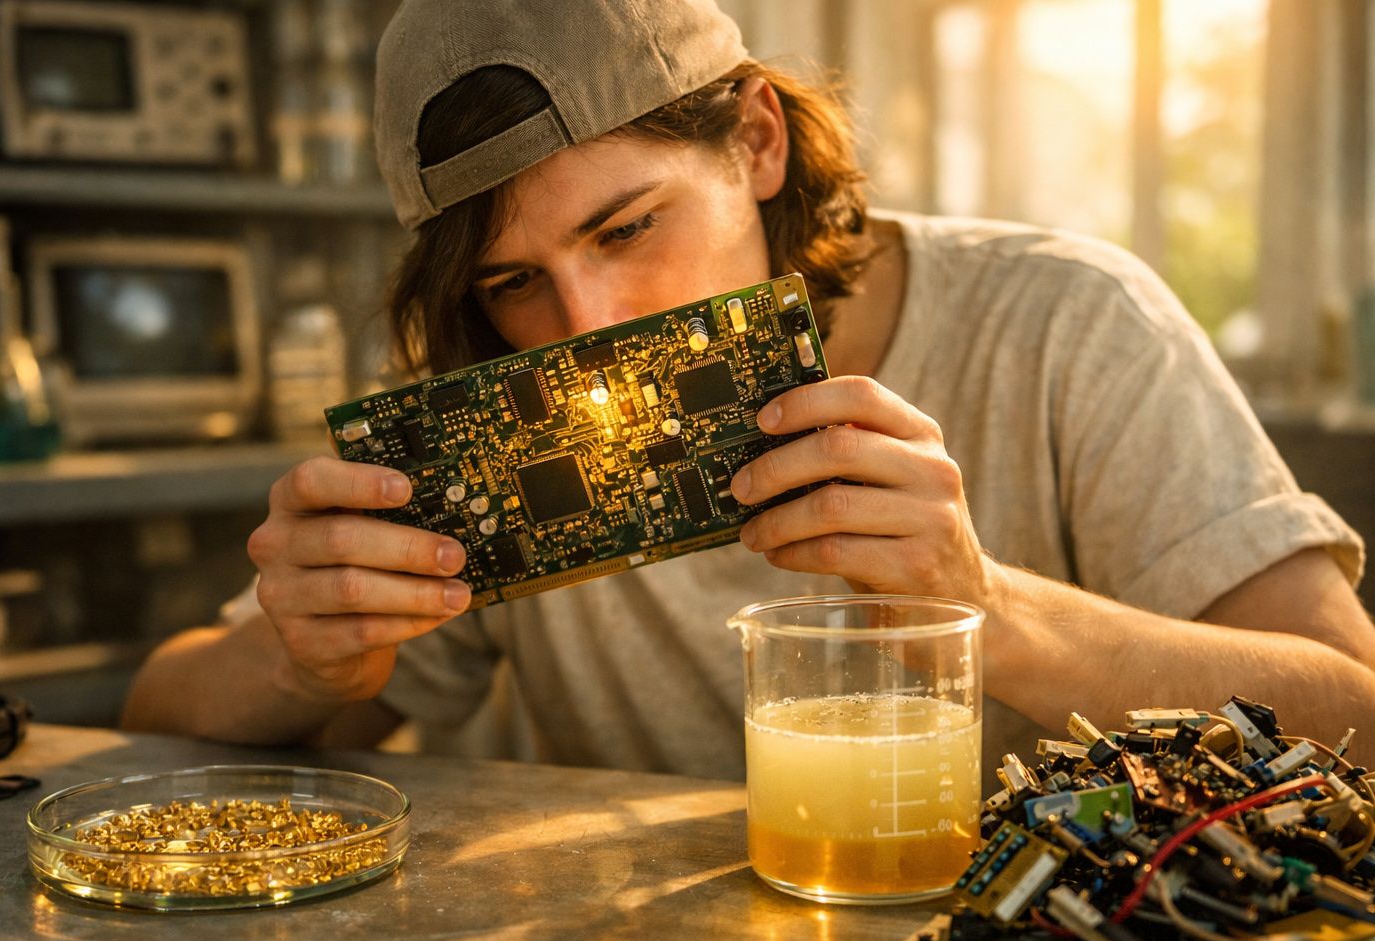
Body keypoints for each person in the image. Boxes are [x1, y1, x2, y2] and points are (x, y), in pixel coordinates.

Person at [122, 0, 1375, 784]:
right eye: (513, 281)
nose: (585, 327)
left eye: (624, 229)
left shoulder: (1067, 324)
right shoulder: (496, 423)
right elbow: (157, 714)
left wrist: (984, 603)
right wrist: (306, 661)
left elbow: (1355, 717)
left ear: (759, 141)